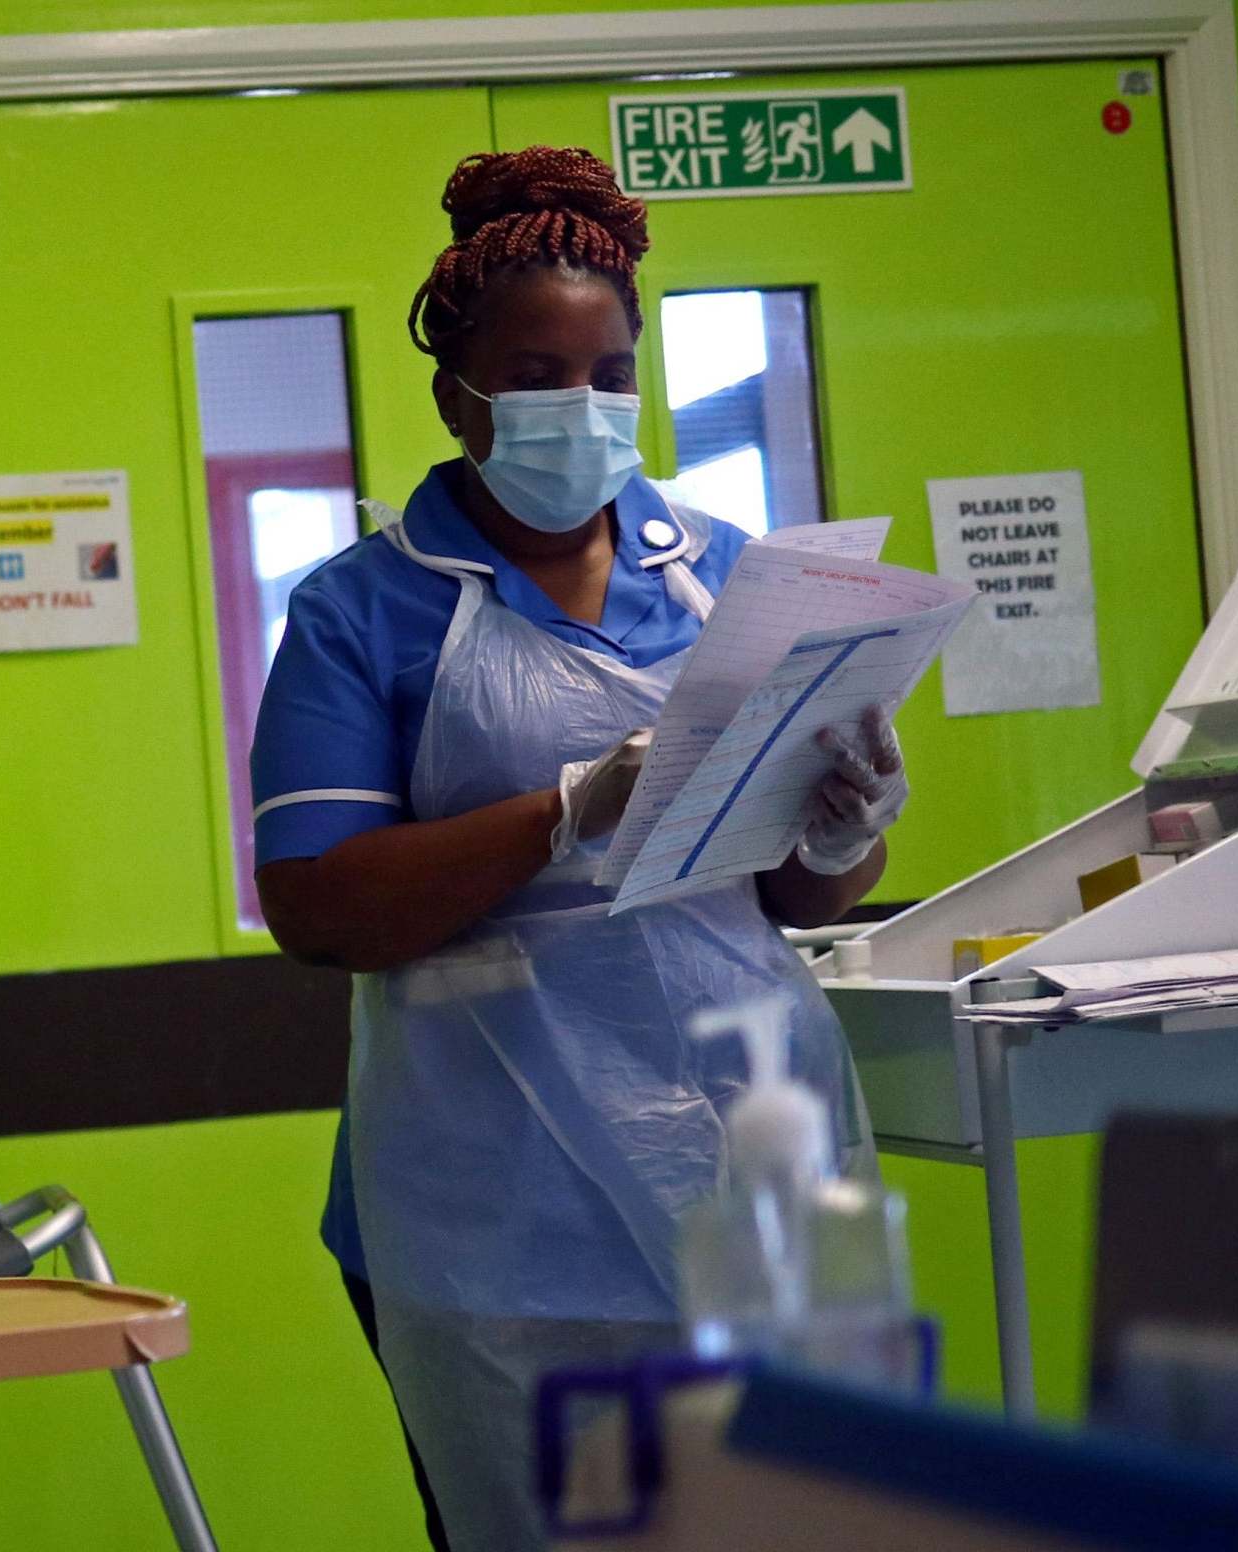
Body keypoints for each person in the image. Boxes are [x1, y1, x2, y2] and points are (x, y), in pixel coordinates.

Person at [251, 145, 910, 1552]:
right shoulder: (363, 611)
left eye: (611, 374)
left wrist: (842, 822)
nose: (586, 407)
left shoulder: (733, 571)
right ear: (458, 395)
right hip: (494, 1193)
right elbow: (319, 907)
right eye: (539, 376)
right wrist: (563, 809)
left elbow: (785, 897)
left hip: (760, 1161)